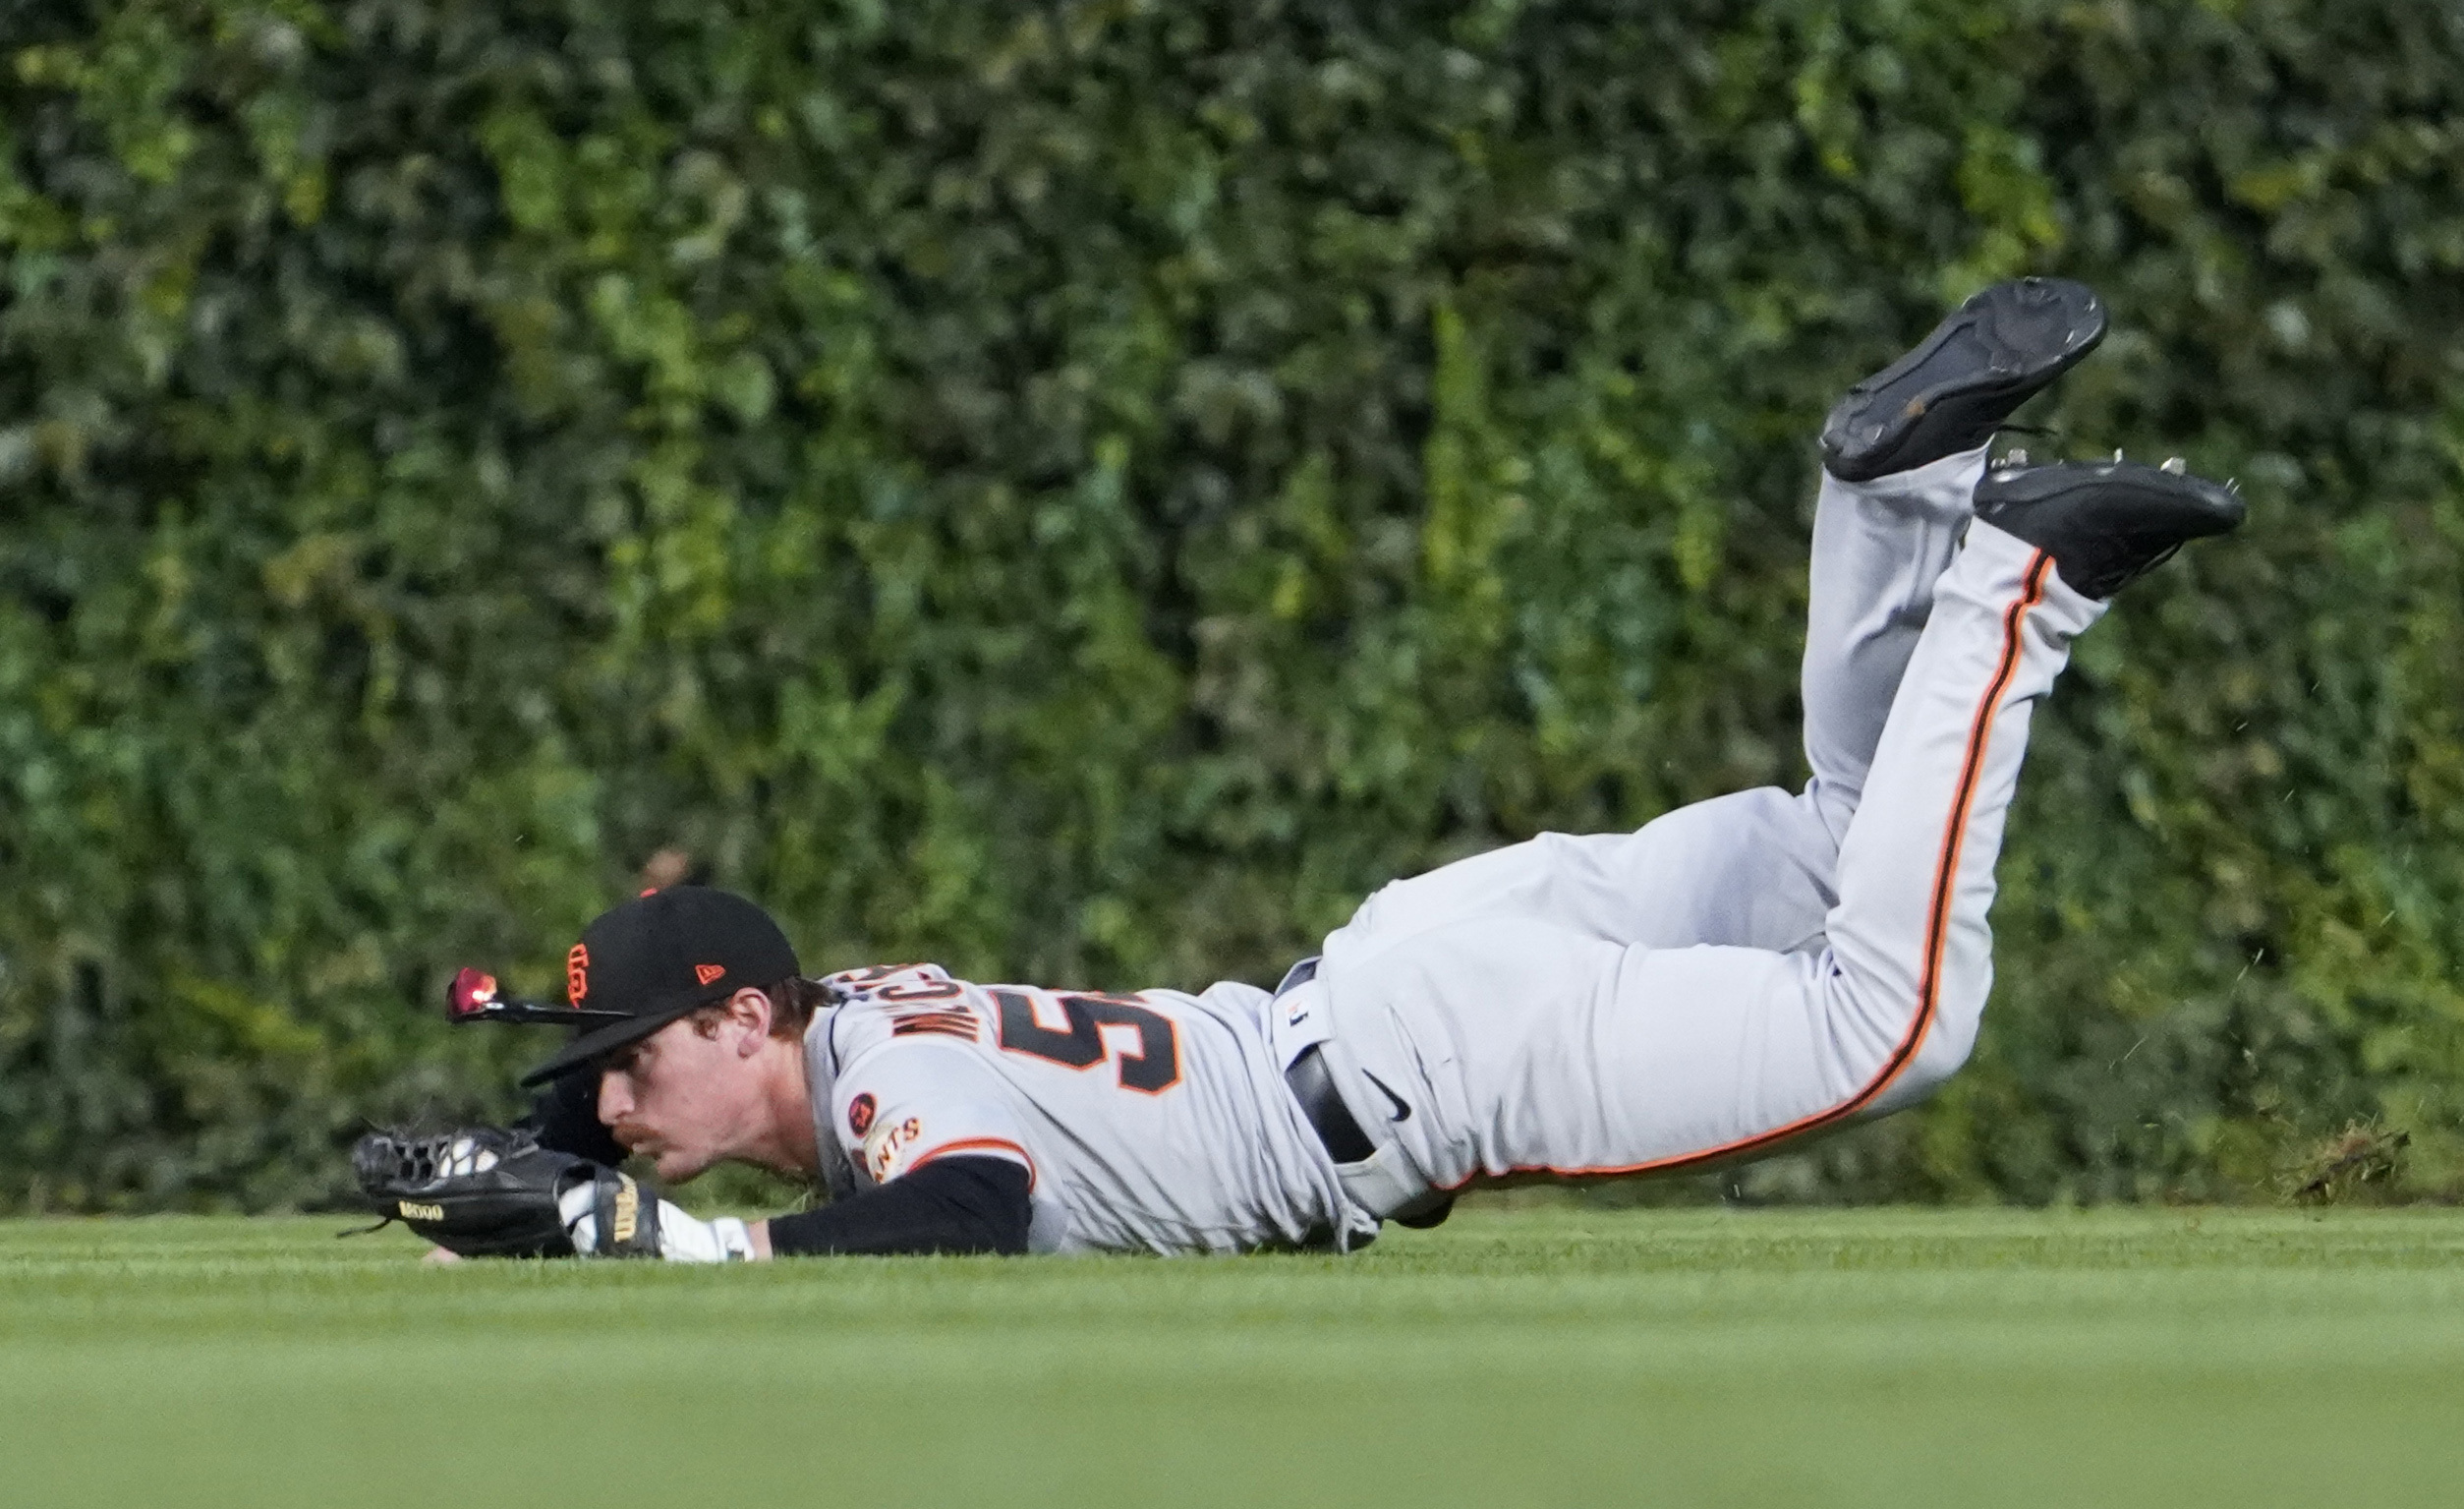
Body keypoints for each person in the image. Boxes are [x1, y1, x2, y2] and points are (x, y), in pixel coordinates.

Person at [501, 277, 2245, 1261]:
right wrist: (520, 1174)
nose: (622, 1108)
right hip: (1398, 968)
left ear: (744, 1017)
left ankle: (2021, 578)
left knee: (1892, 1017)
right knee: (1844, 836)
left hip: (1430, 1066)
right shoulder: (853, 1017)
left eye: (633, 1065)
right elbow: (693, 1094)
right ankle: (1893, 498)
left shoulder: (885, 1094)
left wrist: (668, 1243)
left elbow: (973, 1204)